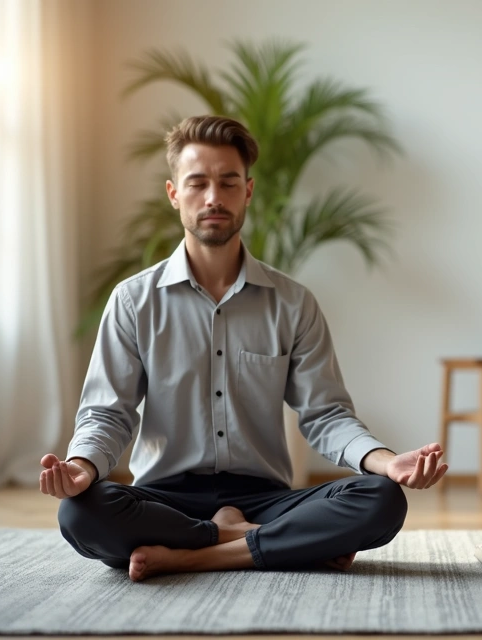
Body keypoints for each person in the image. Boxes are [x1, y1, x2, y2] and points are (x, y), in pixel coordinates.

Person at [40, 115, 447, 582]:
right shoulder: (133, 301)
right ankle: (263, 543)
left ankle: (192, 555)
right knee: (80, 513)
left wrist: (386, 461)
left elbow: (326, 415)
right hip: (164, 499)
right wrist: (81, 467)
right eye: (197, 184)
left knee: (382, 499)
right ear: (174, 194)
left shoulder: (293, 302)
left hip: (266, 498)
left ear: (248, 192)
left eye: (228, 182)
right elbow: (108, 414)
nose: (213, 197)